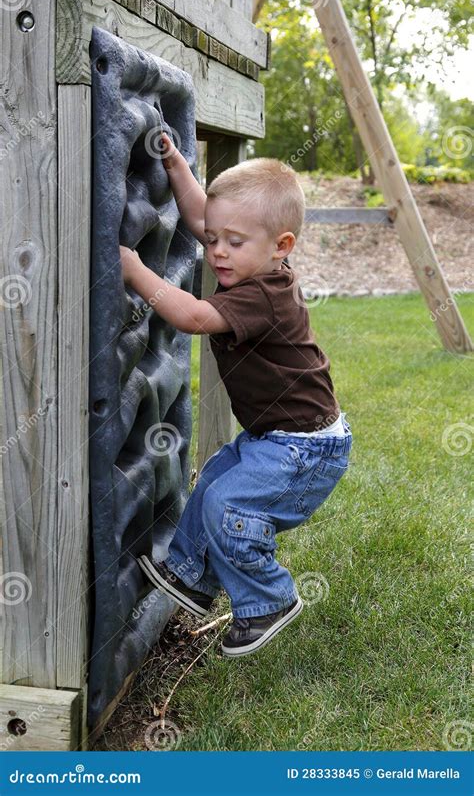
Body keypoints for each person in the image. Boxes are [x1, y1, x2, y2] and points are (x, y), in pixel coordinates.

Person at [120, 131, 353, 657]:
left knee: (228, 504)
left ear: (282, 247)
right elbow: (205, 216)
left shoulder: (264, 294)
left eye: (233, 243)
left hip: (305, 448)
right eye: (212, 240)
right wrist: (178, 165)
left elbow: (194, 316)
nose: (217, 251)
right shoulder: (252, 258)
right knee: (214, 481)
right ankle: (192, 578)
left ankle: (268, 597)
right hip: (279, 436)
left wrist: (135, 271)